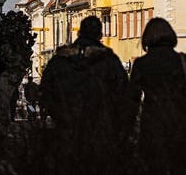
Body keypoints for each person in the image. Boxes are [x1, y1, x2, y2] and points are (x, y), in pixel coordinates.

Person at [40, 15, 127, 171]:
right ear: (100, 35)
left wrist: (57, 113)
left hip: (66, 128)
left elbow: (45, 91)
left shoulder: (60, 59)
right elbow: (123, 94)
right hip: (100, 130)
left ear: (79, 33)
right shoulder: (108, 60)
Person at [127, 17, 186, 175]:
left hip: (152, 122)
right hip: (180, 122)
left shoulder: (142, 64)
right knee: (179, 166)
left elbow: (132, 98)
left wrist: (127, 127)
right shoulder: (182, 61)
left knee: (154, 167)